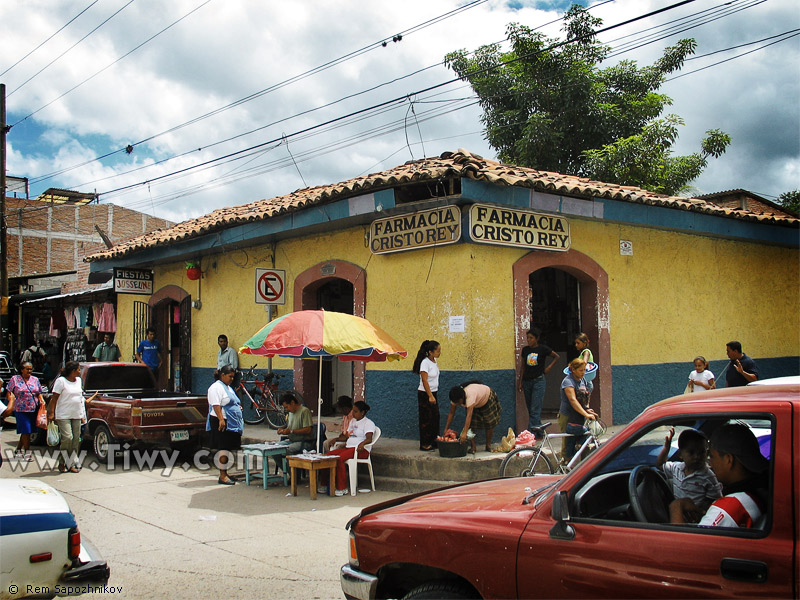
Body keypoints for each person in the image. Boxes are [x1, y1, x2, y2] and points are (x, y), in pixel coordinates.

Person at [670, 423, 768, 527]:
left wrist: (676, 506)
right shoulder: (763, 488)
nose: (710, 463)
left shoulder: (730, 508)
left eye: (712, 457)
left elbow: (684, 543)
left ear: (728, 460)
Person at [657, 427, 721, 521]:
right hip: (678, 514)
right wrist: (667, 448)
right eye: (691, 453)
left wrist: (702, 513)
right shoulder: (676, 468)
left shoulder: (708, 476)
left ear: (706, 453)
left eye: (702, 452)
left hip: (696, 519)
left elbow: (716, 501)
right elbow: (660, 464)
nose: (697, 457)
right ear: (680, 454)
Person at [48, 361, 98, 473]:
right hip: (63, 414)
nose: (80, 372)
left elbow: (80, 398)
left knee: (76, 440)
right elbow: (54, 398)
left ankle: (70, 464)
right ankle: (62, 461)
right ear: (72, 371)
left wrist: (82, 415)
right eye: (78, 369)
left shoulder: (79, 381)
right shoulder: (61, 381)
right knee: (68, 438)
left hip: (76, 414)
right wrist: (51, 413)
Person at [319, 401, 376, 496]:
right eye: (353, 411)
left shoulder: (368, 423)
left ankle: (342, 488)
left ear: (362, 412)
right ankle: (325, 484)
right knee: (326, 457)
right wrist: (336, 439)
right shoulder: (353, 421)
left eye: (355, 411)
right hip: (349, 448)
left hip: (360, 450)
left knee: (340, 459)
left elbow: (369, 439)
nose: (353, 413)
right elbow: (346, 436)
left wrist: (362, 444)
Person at [206, 365, 243, 485]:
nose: (232, 379)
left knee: (227, 448)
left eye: (233, 377)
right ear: (222, 375)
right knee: (223, 448)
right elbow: (216, 405)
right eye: (230, 376)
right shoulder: (216, 387)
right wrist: (221, 420)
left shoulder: (228, 387)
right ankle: (222, 475)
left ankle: (225, 473)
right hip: (221, 421)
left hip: (231, 422)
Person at [518, 328, 559, 430]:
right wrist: (520, 382)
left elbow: (556, 356)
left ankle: (531, 432)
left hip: (538, 381)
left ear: (537, 339)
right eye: (528, 338)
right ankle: (539, 431)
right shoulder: (525, 350)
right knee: (530, 409)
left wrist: (549, 367)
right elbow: (523, 366)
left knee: (535, 409)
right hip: (527, 381)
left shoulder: (543, 349)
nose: (529, 340)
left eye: (531, 338)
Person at [558, 358, 597, 462]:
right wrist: (585, 413)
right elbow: (573, 400)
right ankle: (564, 466)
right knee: (567, 444)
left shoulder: (583, 380)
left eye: (584, 370)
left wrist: (588, 410)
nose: (583, 372)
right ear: (573, 370)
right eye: (581, 370)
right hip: (567, 416)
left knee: (580, 440)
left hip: (578, 416)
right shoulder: (568, 381)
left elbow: (583, 399)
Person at [6, 361, 47, 462]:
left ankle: (19, 449)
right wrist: (11, 400)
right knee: (26, 430)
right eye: (27, 369)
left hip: (33, 409)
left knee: (27, 431)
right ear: (22, 370)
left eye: (31, 369)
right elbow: (9, 391)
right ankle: (27, 452)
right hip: (20, 409)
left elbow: (39, 392)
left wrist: (41, 399)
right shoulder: (15, 379)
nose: (29, 371)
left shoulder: (35, 379)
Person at [446, 382, 502, 453]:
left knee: (489, 423)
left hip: (486, 398)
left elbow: (469, 416)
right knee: (471, 425)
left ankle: (488, 445)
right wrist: (446, 429)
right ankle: (473, 447)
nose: (457, 404)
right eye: (455, 402)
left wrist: (464, 433)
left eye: (458, 402)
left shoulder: (470, 395)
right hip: (475, 403)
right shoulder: (455, 399)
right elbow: (451, 413)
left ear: (462, 398)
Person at [412, 340, 441, 452]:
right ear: (430, 352)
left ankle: (434, 441)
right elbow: (424, 380)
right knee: (426, 419)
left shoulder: (434, 362)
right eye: (437, 351)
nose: (439, 353)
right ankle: (425, 444)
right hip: (425, 394)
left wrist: (433, 394)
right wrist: (430, 395)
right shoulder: (425, 363)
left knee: (435, 417)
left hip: (434, 392)